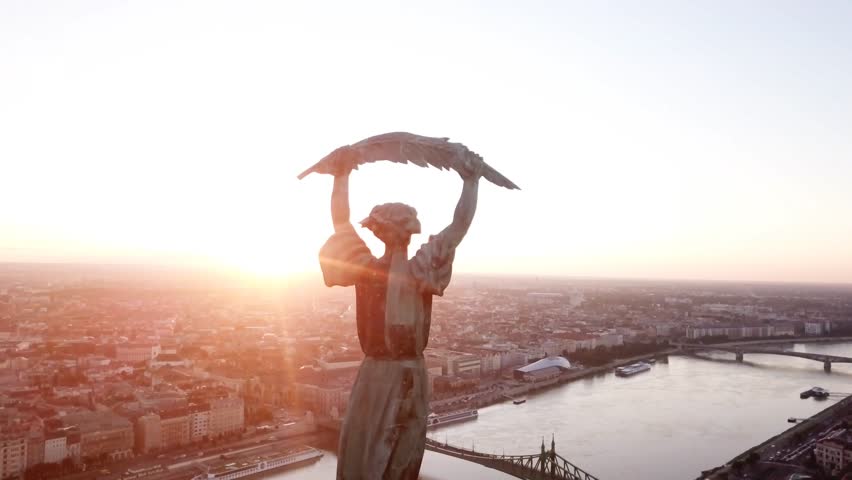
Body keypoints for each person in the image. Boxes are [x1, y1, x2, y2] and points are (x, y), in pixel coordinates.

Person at [319, 149, 481, 480]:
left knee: (377, 458)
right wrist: (470, 181)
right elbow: (459, 226)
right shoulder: (417, 269)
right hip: (391, 372)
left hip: (390, 373)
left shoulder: (368, 268)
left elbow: (340, 221)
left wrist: (342, 175)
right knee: (392, 458)